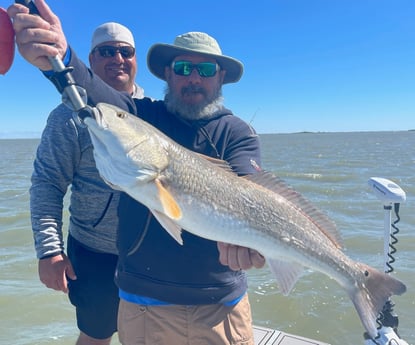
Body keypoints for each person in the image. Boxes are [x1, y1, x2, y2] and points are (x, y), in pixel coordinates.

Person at [9, 1, 266, 344]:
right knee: (94, 334)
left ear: (220, 77)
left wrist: (252, 238)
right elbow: (50, 177)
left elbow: (250, 190)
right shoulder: (123, 115)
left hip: (202, 290)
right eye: (106, 51)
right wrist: (60, 58)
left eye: (205, 69)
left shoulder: (224, 129)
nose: (193, 77)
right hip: (111, 267)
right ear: (168, 74)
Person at [28, 21, 144, 345]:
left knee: (153, 336)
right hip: (94, 256)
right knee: (95, 337)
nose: (117, 58)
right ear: (89, 62)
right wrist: (49, 251)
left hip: (151, 254)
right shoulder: (67, 118)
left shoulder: (154, 114)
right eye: (106, 51)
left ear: (135, 58)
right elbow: (47, 184)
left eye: (126, 51)